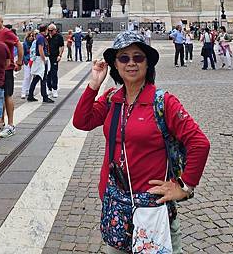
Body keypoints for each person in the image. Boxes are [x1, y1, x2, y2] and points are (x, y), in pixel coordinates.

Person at [73, 31, 210, 254]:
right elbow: (82, 121)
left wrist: (184, 187)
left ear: (148, 64)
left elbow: (199, 143)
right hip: (117, 206)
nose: (131, 63)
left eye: (138, 57)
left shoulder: (163, 102)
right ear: (115, 65)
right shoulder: (112, 99)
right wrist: (94, 85)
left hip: (152, 209)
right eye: (124, 58)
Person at [0, 15, 23, 138]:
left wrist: (19, 61)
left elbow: (18, 44)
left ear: (1, 22)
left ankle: (10, 125)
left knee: (7, 95)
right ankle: (1, 122)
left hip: (7, 69)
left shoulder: (7, 33)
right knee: (0, 96)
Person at [27, 24, 53, 103]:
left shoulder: (39, 37)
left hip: (38, 60)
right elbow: (40, 49)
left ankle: (30, 95)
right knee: (43, 78)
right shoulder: (41, 37)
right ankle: (44, 96)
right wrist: (44, 59)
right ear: (45, 30)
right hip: (40, 59)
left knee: (36, 78)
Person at [47, 23, 64, 98]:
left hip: (54, 57)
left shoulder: (59, 37)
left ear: (55, 30)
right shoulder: (47, 36)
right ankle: (49, 88)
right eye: (49, 30)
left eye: (51, 30)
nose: (50, 32)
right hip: (48, 57)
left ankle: (54, 89)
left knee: (54, 73)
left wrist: (60, 55)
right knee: (48, 73)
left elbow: (61, 46)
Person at [21, 31, 34, 99]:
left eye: (32, 36)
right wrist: (25, 61)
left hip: (33, 61)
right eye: (30, 36)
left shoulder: (34, 43)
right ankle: (23, 91)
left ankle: (28, 90)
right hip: (27, 61)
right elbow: (22, 53)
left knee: (30, 76)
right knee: (26, 76)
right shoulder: (24, 44)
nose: (31, 37)